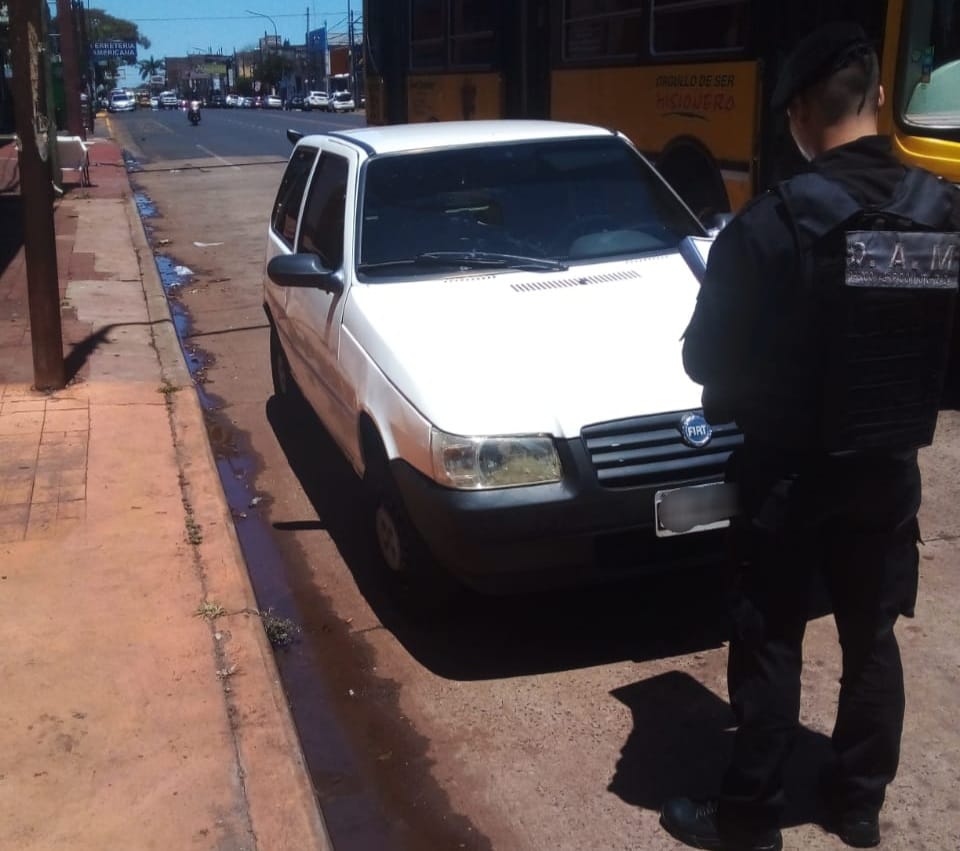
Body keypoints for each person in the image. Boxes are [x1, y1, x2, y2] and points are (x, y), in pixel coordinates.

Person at [659, 21, 960, 851]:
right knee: (872, 634)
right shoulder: (944, 212)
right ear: (876, 99)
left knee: (769, 637)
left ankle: (750, 815)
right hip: (888, 469)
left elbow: (701, 358)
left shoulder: (771, 224)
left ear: (797, 113)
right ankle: (858, 802)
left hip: (789, 476)